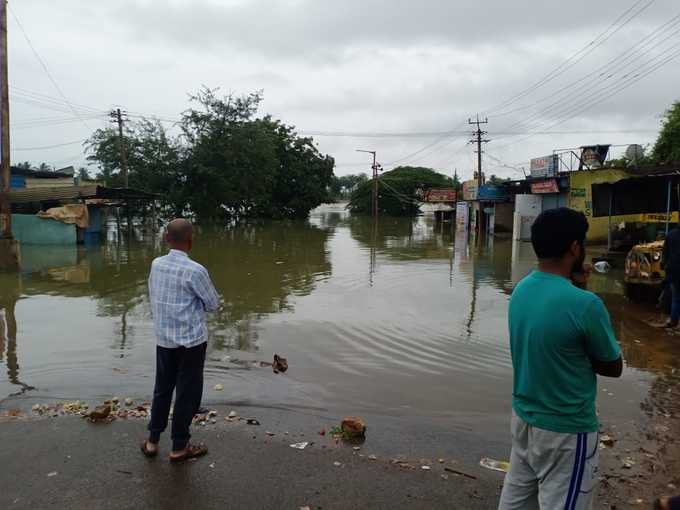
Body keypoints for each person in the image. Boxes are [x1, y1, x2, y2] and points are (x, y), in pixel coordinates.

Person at [498, 208, 623, 510]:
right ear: (574, 248)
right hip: (566, 431)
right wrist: (583, 289)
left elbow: (553, 342)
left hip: (524, 420)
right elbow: (613, 365)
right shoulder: (585, 304)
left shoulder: (521, 290)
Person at [140, 218, 220, 462]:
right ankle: (179, 447)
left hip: (164, 339)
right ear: (190, 241)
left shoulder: (156, 264)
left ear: (166, 239)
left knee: (162, 388)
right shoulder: (196, 270)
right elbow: (213, 304)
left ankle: (153, 441)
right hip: (191, 343)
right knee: (187, 392)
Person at [662, 225, 680, 327]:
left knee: (676, 298)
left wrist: (666, 267)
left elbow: (665, 253)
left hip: (674, 271)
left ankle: (673, 321)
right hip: (674, 270)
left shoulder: (671, 234)